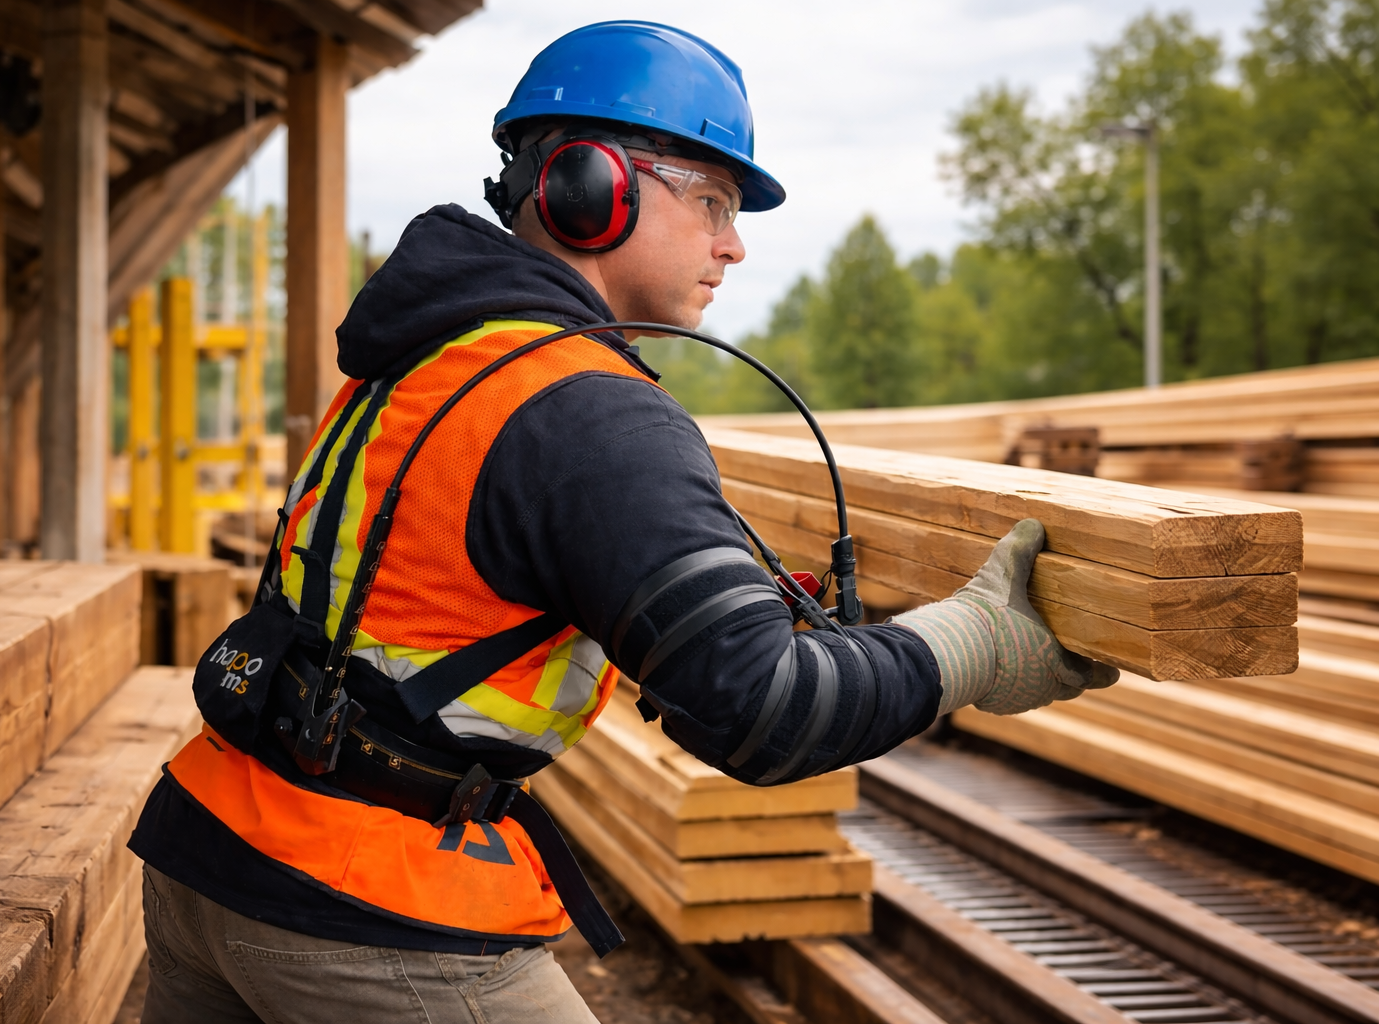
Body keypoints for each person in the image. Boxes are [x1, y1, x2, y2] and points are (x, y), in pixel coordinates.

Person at [128, 21, 1117, 1023]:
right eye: (715, 201)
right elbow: (761, 711)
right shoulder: (588, 411)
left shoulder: (430, 357)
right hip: (367, 907)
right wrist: (975, 644)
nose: (735, 243)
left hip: (210, 844)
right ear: (590, 188)